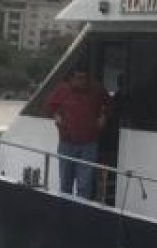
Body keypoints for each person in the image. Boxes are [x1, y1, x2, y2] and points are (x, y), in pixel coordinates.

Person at [43, 67, 110, 200]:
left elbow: (107, 104)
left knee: (84, 184)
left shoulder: (97, 89)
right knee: (66, 182)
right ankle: (65, 209)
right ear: (71, 78)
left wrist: (103, 116)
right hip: (67, 143)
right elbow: (48, 106)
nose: (82, 81)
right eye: (79, 78)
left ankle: (81, 210)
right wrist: (56, 116)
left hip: (89, 144)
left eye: (85, 77)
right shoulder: (62, 89)